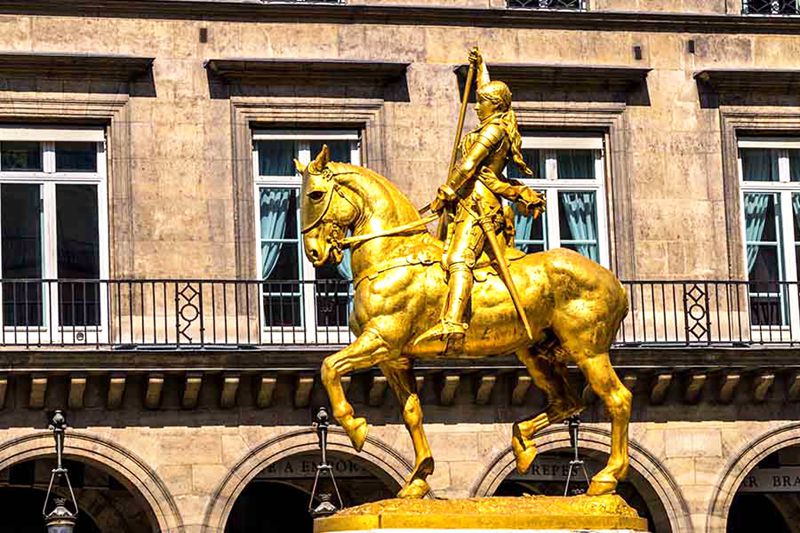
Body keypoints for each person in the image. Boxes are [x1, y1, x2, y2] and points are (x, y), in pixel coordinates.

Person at [415, 47, 545, 345]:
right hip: (465, 201)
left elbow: (471, 163)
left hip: (479, 204)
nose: (476, 107)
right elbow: (486, 89)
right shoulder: (491, 123)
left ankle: (453, 322)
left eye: (482, 102)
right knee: (443, 254)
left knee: (460, 257)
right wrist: (481, 66)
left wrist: (447, 191)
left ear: (495, 106)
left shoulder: (495, 131)